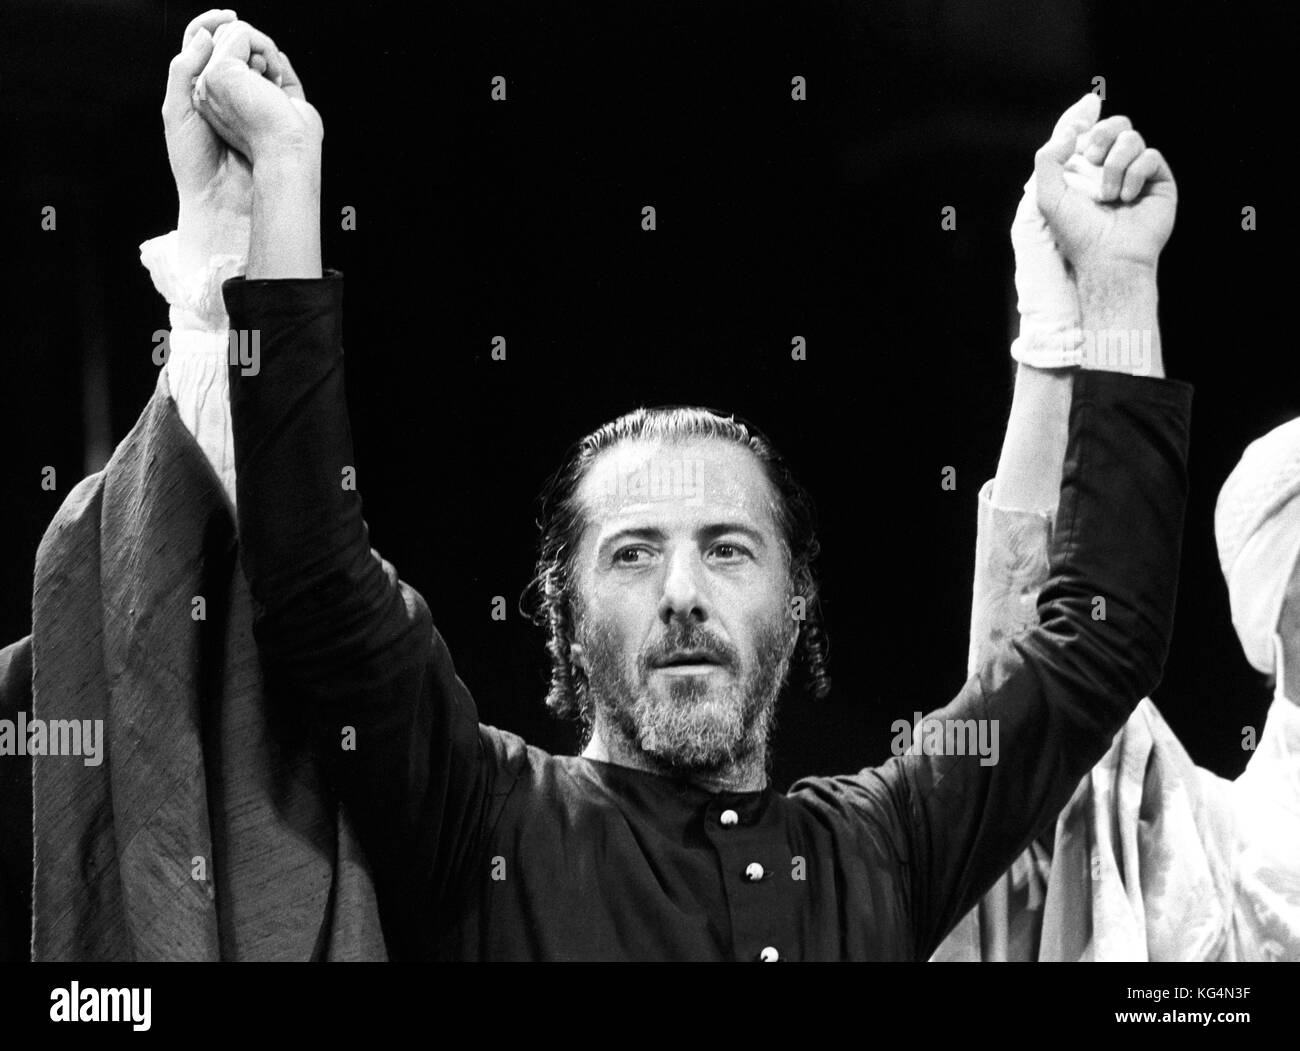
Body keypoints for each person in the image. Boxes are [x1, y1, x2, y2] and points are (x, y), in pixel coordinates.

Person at [0, 13, 1193, 961]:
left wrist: (1116, 286)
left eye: (728, 548)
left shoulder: (881, 844)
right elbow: (312, 574)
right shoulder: (485, 822)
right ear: (563, 617)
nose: (682, 589)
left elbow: (1099, 640)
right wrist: (278, 193)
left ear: (797, 604)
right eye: (632, 552)